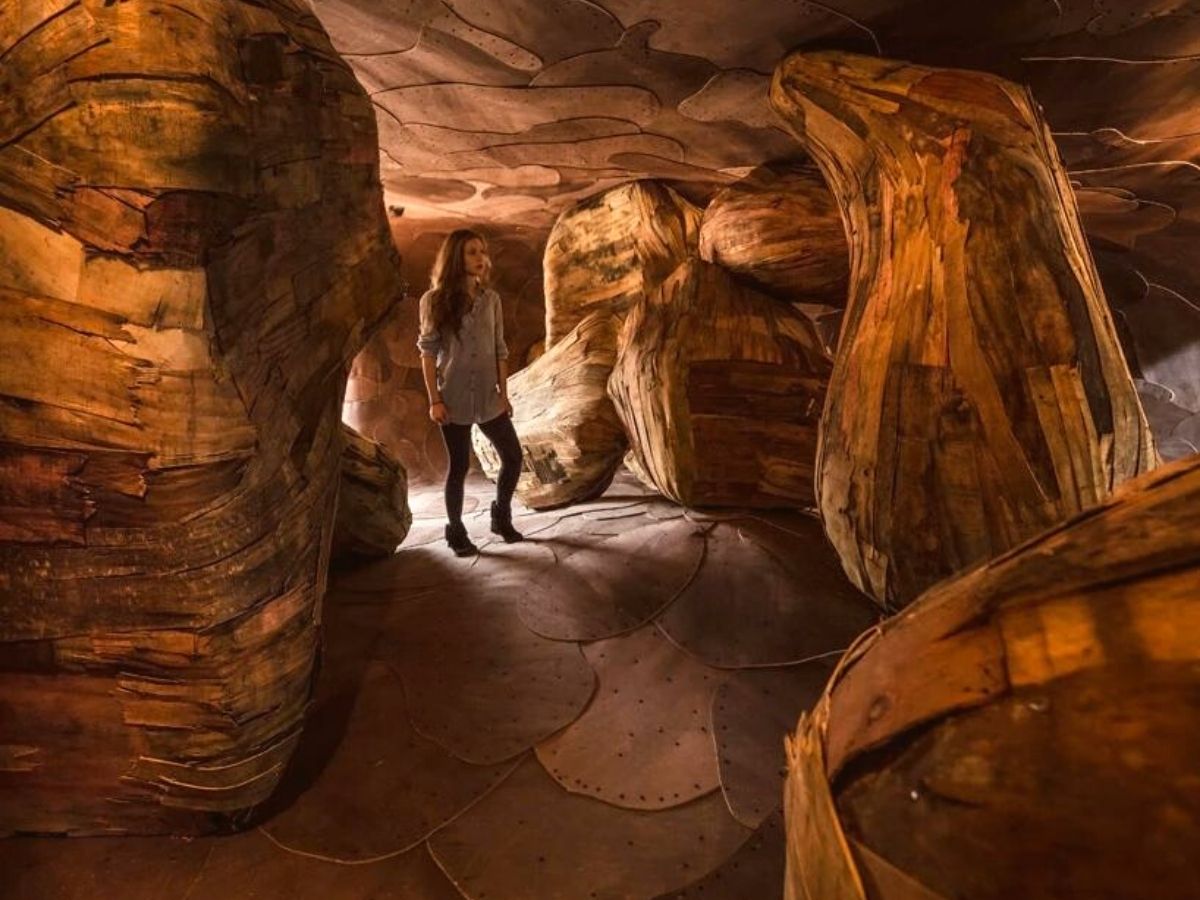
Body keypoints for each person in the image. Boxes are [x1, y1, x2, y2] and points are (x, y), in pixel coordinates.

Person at [417, 229, 525, 556]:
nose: (481, 259)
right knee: (459, 467)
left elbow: (500, 350)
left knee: (513, 457)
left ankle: (501, 516)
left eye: (482, 251)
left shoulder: (492, 300)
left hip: (490, 399)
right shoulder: (433, 301)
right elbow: (427, 352)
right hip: (453, 398)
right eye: (471, 253)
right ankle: (455, 531)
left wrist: (503, 395)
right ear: (455, 258)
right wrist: (435, 400)